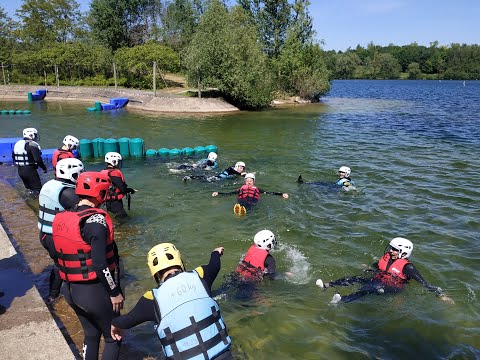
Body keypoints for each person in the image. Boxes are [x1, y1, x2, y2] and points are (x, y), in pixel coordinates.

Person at [110, 243, 232, 360]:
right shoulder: (201, 275)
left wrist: (114, 324)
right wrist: (216, 252)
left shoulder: (152, 298)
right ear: (180, 262)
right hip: (222, 354)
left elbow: (128, 320)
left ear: (155, 274)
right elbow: (215, 265)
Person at [52, 171, 123, 360]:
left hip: (70, 290)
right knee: (113, 337)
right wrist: (114, 292)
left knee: (91, 335)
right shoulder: (96, 220)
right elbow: (100, 263)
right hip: (94, 292)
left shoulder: (64, 216)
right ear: (99, 193)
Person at [316, 237, 455, 304]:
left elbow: (424, 283)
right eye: (391, 248)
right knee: (355, 278)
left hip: (394, 287)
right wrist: (368, 267)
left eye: (394, 249)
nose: (391, 250)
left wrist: (440, 294)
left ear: (403, 252)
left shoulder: (408, 267)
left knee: (370, 287)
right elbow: (378, 265)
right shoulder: (388, 257)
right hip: (380, 278)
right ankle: (328, 285)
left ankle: (342, 300)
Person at [38, 158, 84, 304]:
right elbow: (83, 210)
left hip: (45, 234)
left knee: (58, 263)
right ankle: (55, 295)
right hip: (55, 237)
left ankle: (54, 294)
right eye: (78, 174)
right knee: (63, 265)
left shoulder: (50, 184)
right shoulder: (67, 192)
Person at [212, 173, 289, 215]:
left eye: (250, 181)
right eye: (247, 181)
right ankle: (241, 209)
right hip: (242, 200)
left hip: (252, 200)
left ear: (253, 182)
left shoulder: (257, 189)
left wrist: (281, 194)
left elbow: (269, 192)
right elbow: (230, 193)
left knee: (250, 206)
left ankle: (243, 211)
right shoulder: (241, 189)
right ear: (245, 182)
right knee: (243, 203)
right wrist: (218, 193)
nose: (249, 182)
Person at [12, 128, 47, 194]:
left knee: (29, 190)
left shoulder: (17, 144)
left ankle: (29, 201)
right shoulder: (32, 145)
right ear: (32, 135)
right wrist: (44, 168)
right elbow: (38, 159)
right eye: (35, 135)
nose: (36, 137)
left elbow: (13, 157)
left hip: (20, 170)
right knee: (38, 190)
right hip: (30, 170)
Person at [101, 152, 135, 219]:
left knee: (114, 217)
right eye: (118, 162)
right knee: (125, 220)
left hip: (107, 202)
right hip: (115, 202)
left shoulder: (103, 172)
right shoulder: (114, 173)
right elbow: (123, 188)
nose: (119, 164)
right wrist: (131, 190)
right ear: (114, 161)